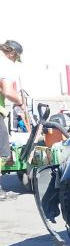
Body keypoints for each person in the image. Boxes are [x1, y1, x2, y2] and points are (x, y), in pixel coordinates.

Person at [0, 40, 24, 201]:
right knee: (2, 151)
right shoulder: (5, 63)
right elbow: (8, 91)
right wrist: (19, 100)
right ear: (12, 54)